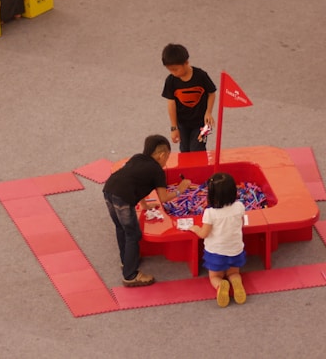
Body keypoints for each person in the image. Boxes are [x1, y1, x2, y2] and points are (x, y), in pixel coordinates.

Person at [103, 135, 191, 287]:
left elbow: (135, 181)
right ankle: (130, 275)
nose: (166, 162)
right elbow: (163, 197)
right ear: (162, 155)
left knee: (120, 227)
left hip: (109, 190)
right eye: (167, 157)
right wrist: (180, 190)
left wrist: (144, 205)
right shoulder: (157, 170)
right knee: (133, 234)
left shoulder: (138, 158)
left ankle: (126, 261)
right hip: (123, 198)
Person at [188, 172, 247, 307]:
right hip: (235, 250)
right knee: (233, 272)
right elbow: (241, 223)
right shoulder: (239, 207)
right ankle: (236, 282)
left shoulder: (210, 213)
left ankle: (221, 285)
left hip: (216, 253)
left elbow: (204, 234)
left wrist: (195, 229)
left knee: (215, 276)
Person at [161, 43, 216, 153]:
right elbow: (171, 104)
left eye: (175, 69)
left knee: (197, 150)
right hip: (182, 124)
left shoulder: (201, 76)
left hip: (202, 124)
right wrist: (174, 127)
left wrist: (208, 112)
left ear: (186, 62)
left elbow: (211, 93)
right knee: (185, 150)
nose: (173, 73)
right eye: (170, 70)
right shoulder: (171, 81)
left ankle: (200, 170)